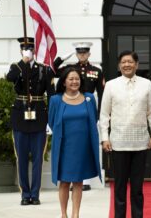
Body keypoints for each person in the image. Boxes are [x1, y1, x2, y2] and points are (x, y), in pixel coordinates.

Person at [99, 50, 151, 218]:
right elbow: (104, 115)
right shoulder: (111, 85)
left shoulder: (146, 84)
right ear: (119, 65)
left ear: (136, 64)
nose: (127, 64)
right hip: (118, 142)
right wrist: (105, 138)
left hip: (141, 142)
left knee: (137, 187)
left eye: (130, 62)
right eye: (123, 62)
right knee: (119, 186)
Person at [6, 37, 55, 205]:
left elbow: (52, 95)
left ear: (35, 51)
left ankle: (35, 194)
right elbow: (9, 78)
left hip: (39, 117)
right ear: (21, 51)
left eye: (31, 49)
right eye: (25, 49)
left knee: (37, 159)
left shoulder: (44, 69)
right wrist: (23, 62)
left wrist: (51, 121)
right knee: (21, 158)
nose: (28, 52)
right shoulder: (16, 67)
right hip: (20, 117)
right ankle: (24, 194)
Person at [48, 67, 102, 218]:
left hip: (82, 147)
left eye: (77, 79)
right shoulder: (55, 100)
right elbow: (52, 122)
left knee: (78, 182)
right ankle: (64, 214)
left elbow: (93, 119)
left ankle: (75, 214)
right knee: (64, 182)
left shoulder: (89, 98)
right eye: (71, 79)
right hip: (64, 147)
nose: (74, 82)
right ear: (64, 82)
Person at [53, 42, 104, 190]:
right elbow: (51, 71)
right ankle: (72, 177)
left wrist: (100, 115)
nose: (82, 55)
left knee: (85, 143)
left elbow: (102, 93)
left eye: (85, 53)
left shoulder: (96, 70)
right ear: (76, 54)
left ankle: (85, 180)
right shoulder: (70, 70)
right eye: (79, 53)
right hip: (70, 107)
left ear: (89, 54)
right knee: (73, 145)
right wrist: (60, 59)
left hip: (87, 109)